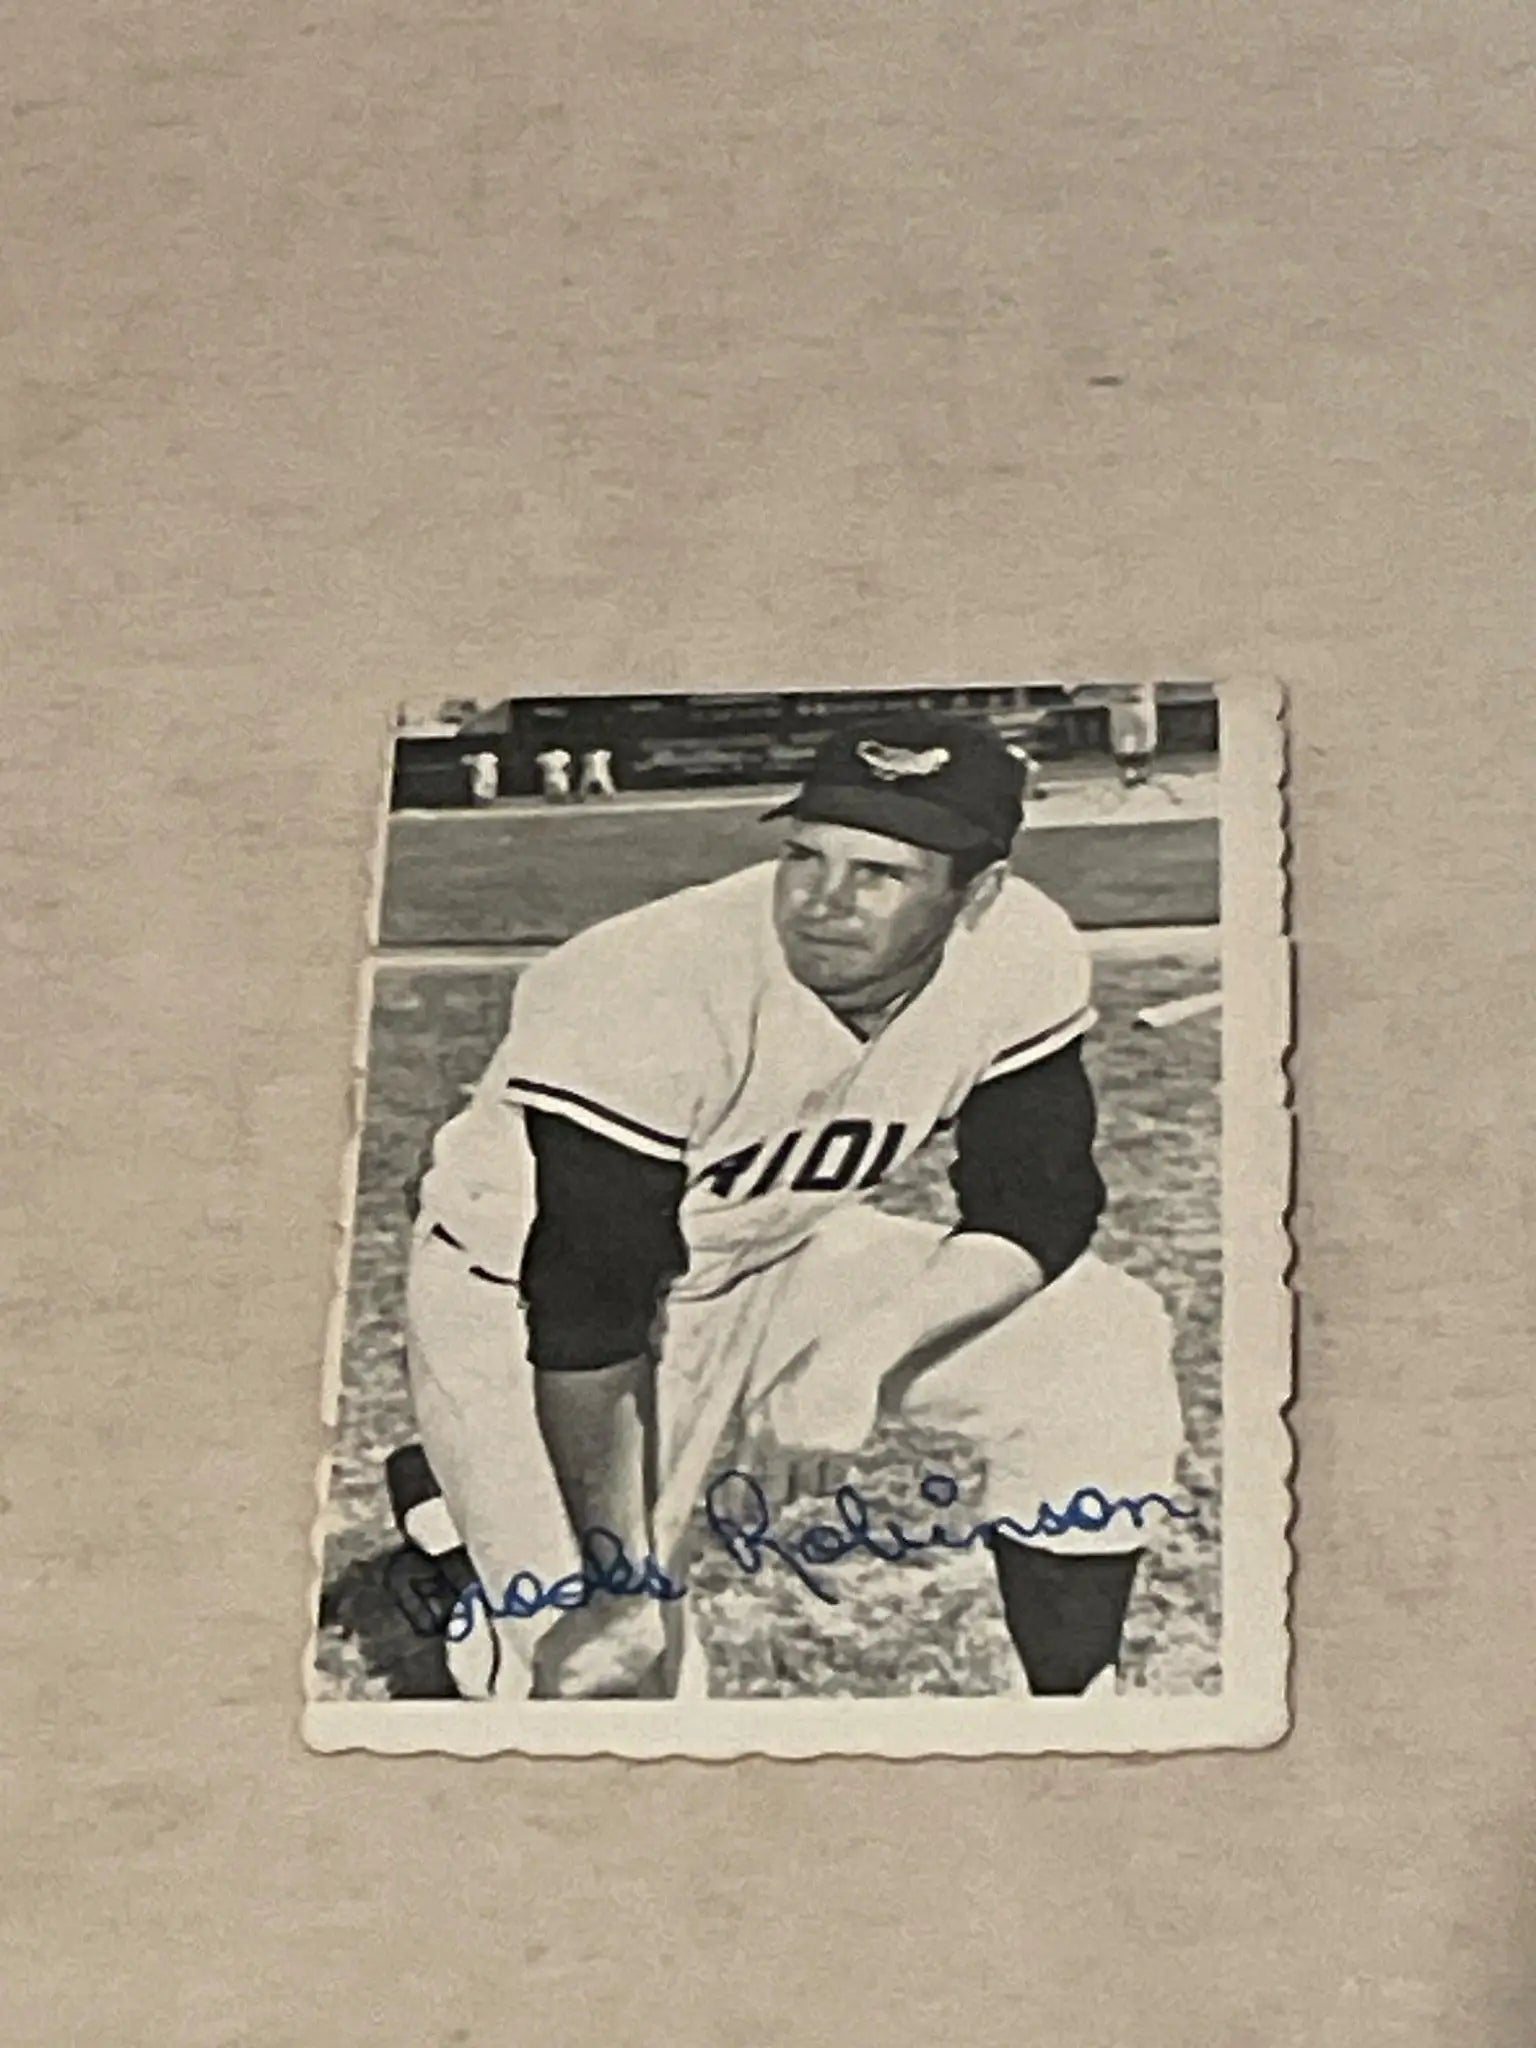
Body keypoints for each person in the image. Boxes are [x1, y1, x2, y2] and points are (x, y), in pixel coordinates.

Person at [392, 712, 1184, 1702]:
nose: (822, 901)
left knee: (1098, 1335)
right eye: (807, 855)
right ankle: (461, 1515)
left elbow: (1039, 1199)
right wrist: (621, 1584)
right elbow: (591, 1301)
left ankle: (1078, 1711)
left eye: (879, 874)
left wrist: (857, 1354)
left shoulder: (1019, 951)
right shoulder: (643, 978)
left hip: (773, 1251)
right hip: (521, 1297)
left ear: (976, 893)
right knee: (611, 1678)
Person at [1106, 682, 1160, 789]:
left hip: (1122, 701)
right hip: (1140, 700)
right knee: (1142, 741)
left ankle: (1132, 771)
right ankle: (1138, 771)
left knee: (1126, 741)